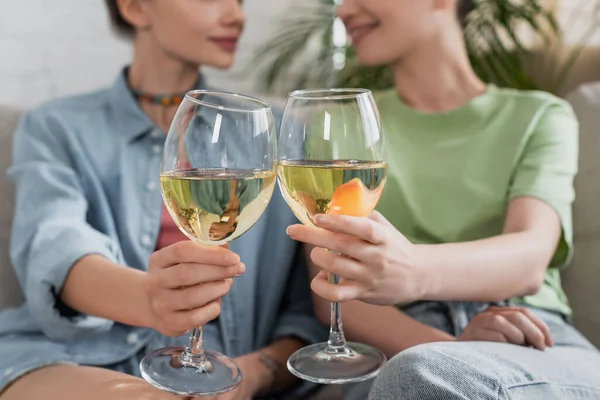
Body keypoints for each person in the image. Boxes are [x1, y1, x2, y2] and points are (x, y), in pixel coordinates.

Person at [0, 1, 325, 399]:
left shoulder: (268, 130)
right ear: (136, 8)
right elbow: (55, 245)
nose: (236, 15)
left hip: (223, 367)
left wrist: (252, 374)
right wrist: (149, 301)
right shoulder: (57, 126)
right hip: (74, 357)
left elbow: (304, 310)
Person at [285, 0, 600, 398]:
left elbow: (531, 256)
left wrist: (415, 270)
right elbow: (330, 286)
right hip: (394, 345)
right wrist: (449, 349)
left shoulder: (539, 116)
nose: (345, 10)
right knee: (418, 376)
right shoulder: (340, 125)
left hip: (528, 335)